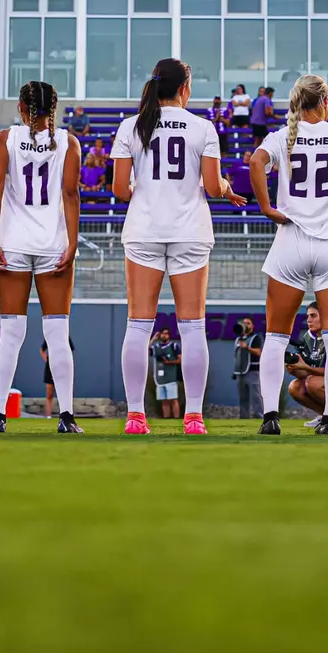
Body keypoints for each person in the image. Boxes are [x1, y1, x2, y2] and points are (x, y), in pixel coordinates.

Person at [113, 58, 247, 435]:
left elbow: (119, 190)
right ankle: (193, 417)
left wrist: (147, 190)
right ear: (185, 87)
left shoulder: (130, 126)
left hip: (144, 230)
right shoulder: (202, 127)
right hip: (190, 231)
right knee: (192, 327)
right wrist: (225, 186)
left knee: (138, 326)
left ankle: (136, 416)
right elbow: (211, 185)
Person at [251, 74, 328, 435]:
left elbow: (256, 162)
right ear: (325, 100)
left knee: (275, 336)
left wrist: (266, 207)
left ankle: (270, 417)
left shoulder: (280, 137)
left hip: (291, 237)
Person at [0, 82, 83, 433]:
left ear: (22, 107)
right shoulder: (69, 141)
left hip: (13, 242)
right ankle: (67, 416)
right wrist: (72, 243)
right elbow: (71, 194)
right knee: (57, 332)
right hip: (53, 243)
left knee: (11, 331)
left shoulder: (4, 139)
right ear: (52, 108)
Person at [233, 316, 263, 419]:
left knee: (256, 396)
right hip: (240, 372)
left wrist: (246, 347)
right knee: (243, 397)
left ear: (252, 326)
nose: (245, 325)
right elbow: (236, 355)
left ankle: (258, 416)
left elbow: (258, 352)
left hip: (252, 371)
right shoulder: (238, 339)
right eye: (244, 323)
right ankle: (244, 417)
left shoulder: (256, 338)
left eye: (248, 323)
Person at [39, 333, 75, 417]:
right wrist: (47, 360)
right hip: (50, 368)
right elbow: (42, 350)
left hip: (62, 367)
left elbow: (70, 350)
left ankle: (65, 415)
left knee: (64, 393)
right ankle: (48, 416)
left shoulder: (65, 336)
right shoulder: (49, 336)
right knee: (49, 394)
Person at [150, 326, 182, 418]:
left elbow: (180, 360)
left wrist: (169, 362)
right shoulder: (156, 347)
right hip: (160, 378)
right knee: (164, 401)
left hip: (171, 377)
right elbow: (145, 350)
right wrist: (153, 339)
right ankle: (166, 418)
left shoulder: (174, 346)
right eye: (162, 334)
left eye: (166, 334)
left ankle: (176, 418)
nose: (164, 336)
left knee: (173, 399)